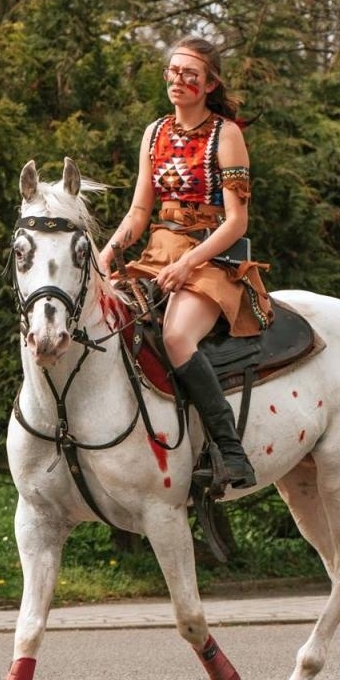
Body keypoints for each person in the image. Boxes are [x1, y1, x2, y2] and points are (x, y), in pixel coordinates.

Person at [98, 36, 272, 491]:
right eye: (172, 72)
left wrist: (188, 264)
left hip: (213, 257)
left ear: (209, 84)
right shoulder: (154, 133)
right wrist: (104, 256)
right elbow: (139, 213)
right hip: (157, 253)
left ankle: (230, 452)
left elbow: (236, 222)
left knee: (176, 336)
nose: (177, 80)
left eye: (189, 74)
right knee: (105, 317)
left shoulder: (226, 135)